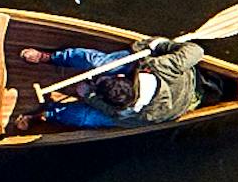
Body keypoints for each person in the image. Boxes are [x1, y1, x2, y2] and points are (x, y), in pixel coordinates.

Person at [14, 37, 204, 131]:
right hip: (167, 76)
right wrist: (161, 46)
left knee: (85, 117)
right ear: (124, 79)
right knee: (98, 63)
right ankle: (51, 58)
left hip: (169, 106)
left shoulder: (127, 112)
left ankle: (47, 114)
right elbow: (196, 51)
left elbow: (111, 111)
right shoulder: (162, 66)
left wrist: (89, 96)